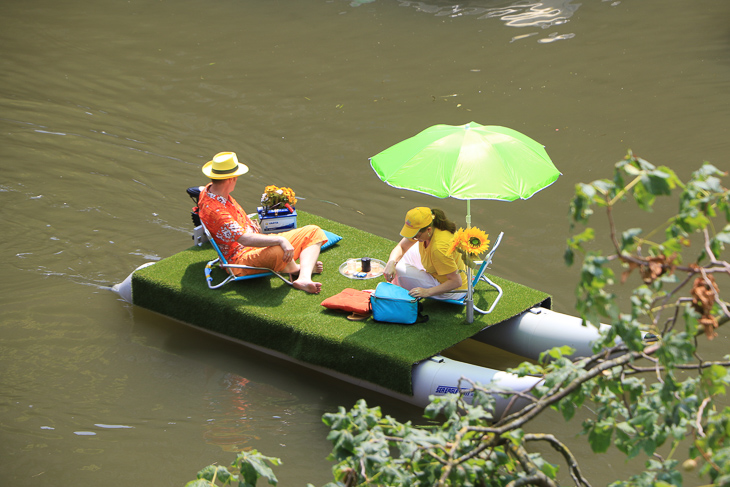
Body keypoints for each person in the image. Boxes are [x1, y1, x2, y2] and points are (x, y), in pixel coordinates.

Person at [198, 151, 327, 294]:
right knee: (280, 248)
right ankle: (297, 269)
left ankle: (303, 277)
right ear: (231, 179)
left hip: (255, 242)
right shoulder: (216, 210)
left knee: (314, 231)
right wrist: (279, 240)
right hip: (240, 258)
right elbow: (245, 240)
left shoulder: (210, 189)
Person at [383, 207, 468, 300]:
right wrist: (391, 263)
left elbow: (456, 282)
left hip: (453, 290)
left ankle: (398, 286)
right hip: (442, 267)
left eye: (416, 236)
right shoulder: (432, 224)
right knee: (398, 259)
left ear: (428, 229)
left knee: (399, 269)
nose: (414, 238)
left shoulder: (439, 249)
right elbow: (402, 247)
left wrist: (427, 292)